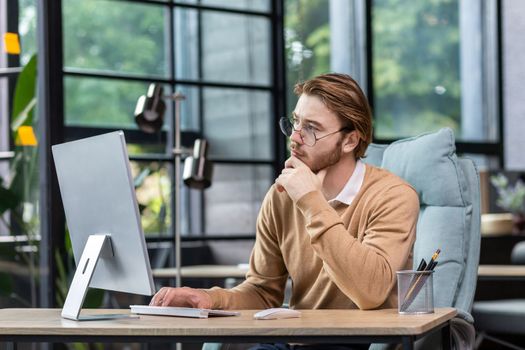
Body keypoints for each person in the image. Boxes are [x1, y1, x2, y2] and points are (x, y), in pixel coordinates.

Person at [150, 73, 419, 348]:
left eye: (312, 128)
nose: (295, 137)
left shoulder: (393, 196)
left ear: (350, 141)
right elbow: (263, 292)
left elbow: (370, 291)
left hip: (358, 341)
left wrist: (311, 201)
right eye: (295, 122)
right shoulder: (281, 197)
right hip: (295, 339)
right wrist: (209, 298)